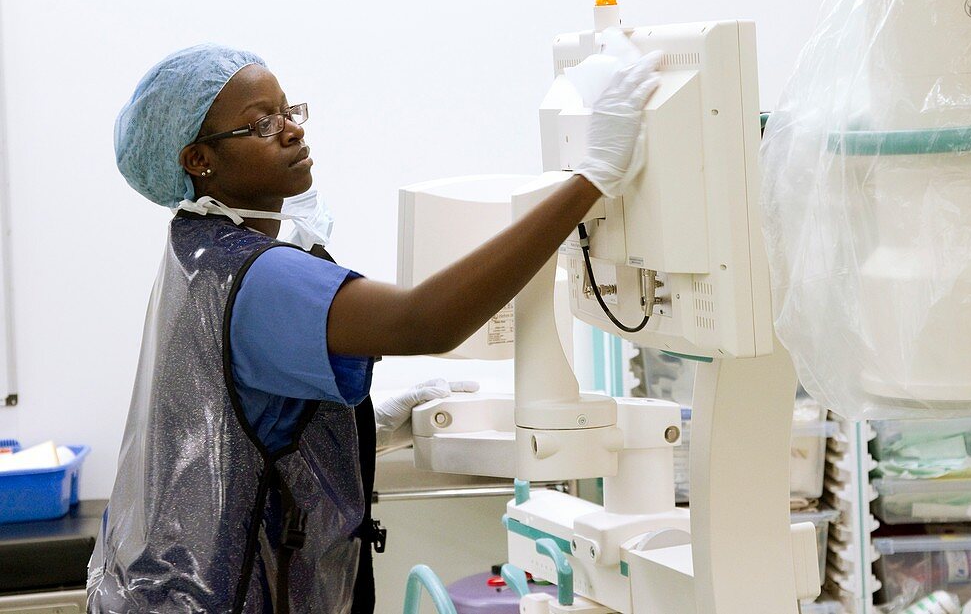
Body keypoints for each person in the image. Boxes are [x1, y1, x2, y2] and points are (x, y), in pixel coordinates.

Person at [87, 43, 660, 613]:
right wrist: (591, 179)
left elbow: (224, 422)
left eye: (288, 111)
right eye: (260, 123)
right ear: (197, 160)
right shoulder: (257, 275)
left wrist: (359, 428)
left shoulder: (196, 254)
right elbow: (424, 322)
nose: (290, 130)